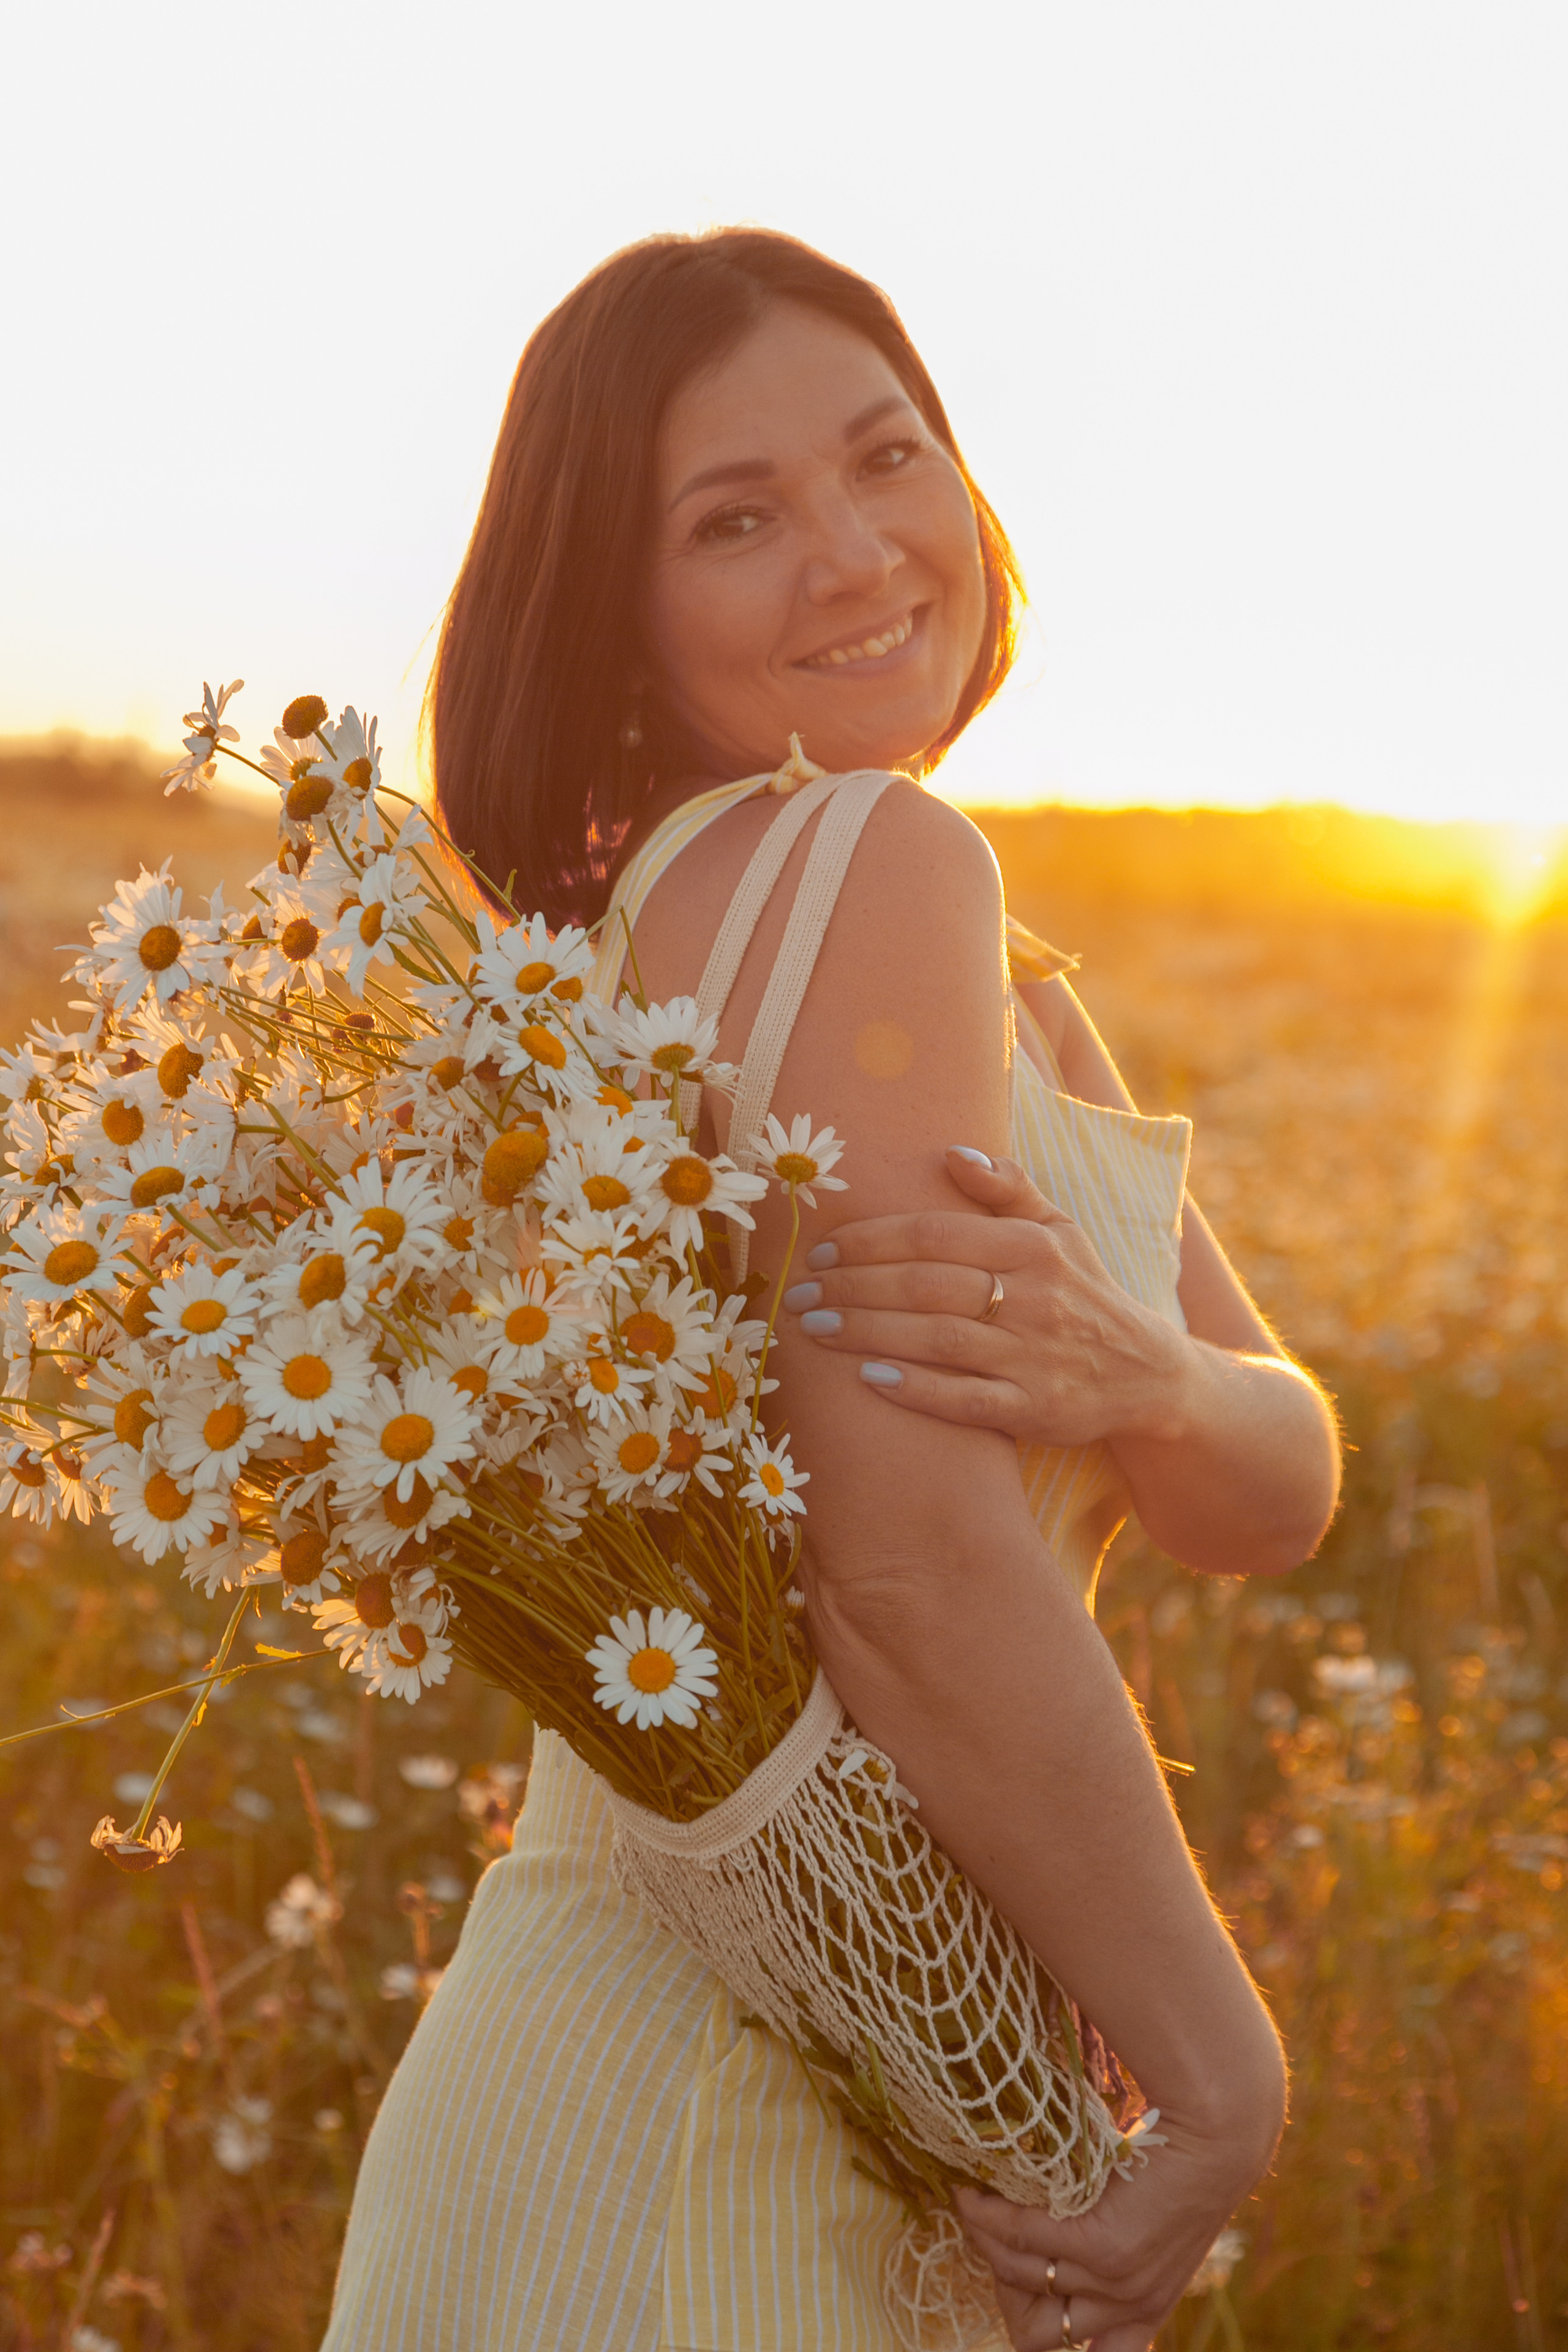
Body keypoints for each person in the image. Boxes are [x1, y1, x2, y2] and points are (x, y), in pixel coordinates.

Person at [320, 228, 1339, 2352]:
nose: (862, 552)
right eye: (737, 519)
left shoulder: (836, 952)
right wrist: (1222, 2074)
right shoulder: (857, 863)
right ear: (616, 614)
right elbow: (905, 1569)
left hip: (704, 2067)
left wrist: (1141, 1372)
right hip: (722, 2118)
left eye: (891, 460)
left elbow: (1270, 1477)